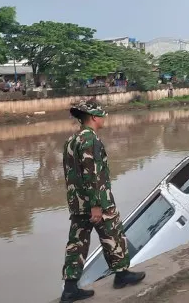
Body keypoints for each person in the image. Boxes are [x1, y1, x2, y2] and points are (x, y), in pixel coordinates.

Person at [60, 99, 145, 302]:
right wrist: (97, 206)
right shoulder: (91, 140)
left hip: (78, 202)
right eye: (102, 115)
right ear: (94, 117)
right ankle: (122, 275)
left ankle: (70, 288)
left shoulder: (71, 141)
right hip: (97, 202)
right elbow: (93, 174)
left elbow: (71, 175)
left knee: (77, 243)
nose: (104, 119)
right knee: (114, 235)